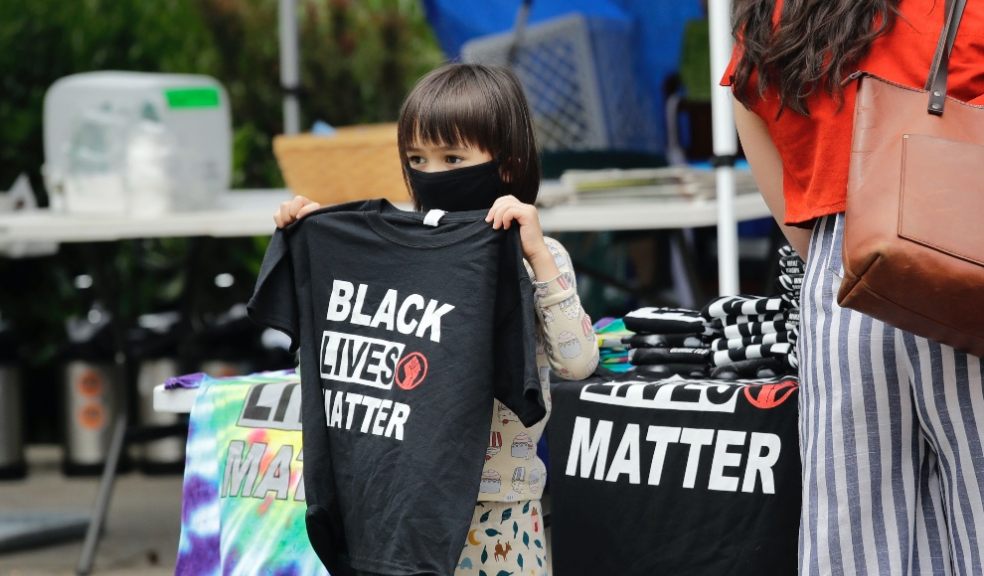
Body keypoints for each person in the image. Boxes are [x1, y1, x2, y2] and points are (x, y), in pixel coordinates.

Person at [274, 62, 599, 575]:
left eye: (453, 157)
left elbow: (578, 363)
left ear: (507, 165)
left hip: (503, 511)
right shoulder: (400, 259)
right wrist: (324, 242)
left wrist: (537, 257)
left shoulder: (538, 255)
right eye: (418, 159)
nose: (434, 174)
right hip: (405, 506)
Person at [724, 1, 984, 574]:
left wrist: (820, 239)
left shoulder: (779, 10)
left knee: (854, 533)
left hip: (843, 267)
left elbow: (747, 104)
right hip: (965, 259)